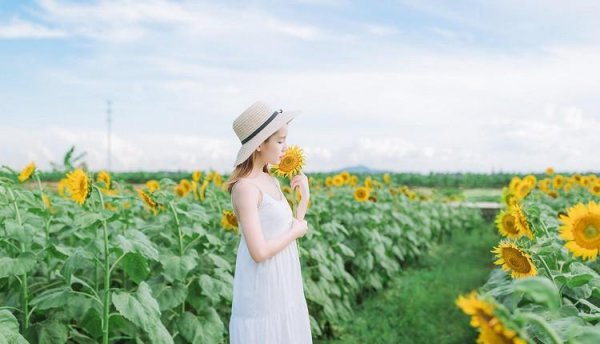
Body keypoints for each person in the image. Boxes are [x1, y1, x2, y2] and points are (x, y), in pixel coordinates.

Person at [226, 101, 313, 344]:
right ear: (259, 145)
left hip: (284, 278)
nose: (286, 147)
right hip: (262, 284)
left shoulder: (270, 179)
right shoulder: (245, 188)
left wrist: (304, 198)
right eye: (280, 141)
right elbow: (259, 251)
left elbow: (289, 227)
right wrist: (296, 232)